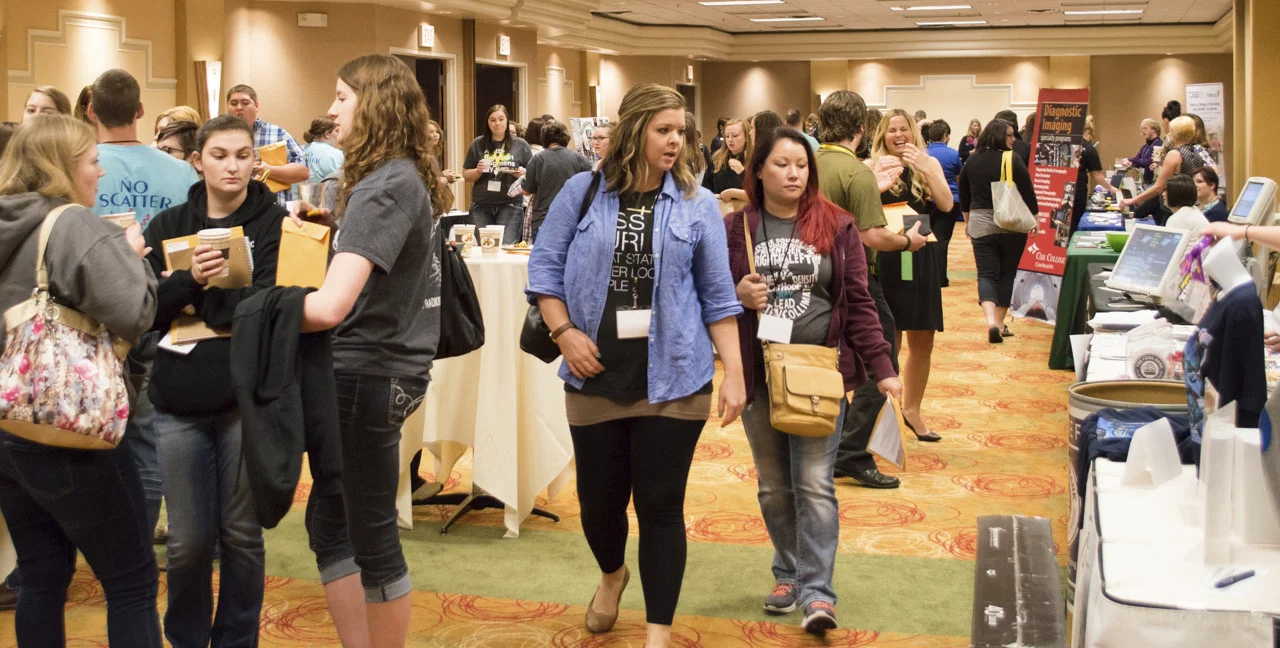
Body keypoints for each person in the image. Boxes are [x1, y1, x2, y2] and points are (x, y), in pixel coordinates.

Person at [526, 82, 745, 648]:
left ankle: (657, 632)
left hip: (676, 375)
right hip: (594, 374)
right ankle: (612, 574)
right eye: (663, 130)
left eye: (681, 132)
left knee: (660, 507)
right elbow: (544, 272)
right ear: (633, 130)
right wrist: (564, 332)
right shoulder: (581, 191)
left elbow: (719, 297)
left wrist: (736, 374)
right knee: (599, 507)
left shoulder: (697, 203)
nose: (675, 142)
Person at [298, 53, 452, 648]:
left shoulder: (386, 184)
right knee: (335, 524)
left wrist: (252, 311)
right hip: (381, 367)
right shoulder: (400, 175)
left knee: (364, 533)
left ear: (374, 104)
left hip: (366, 369)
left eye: (342, 97)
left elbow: (331, 306)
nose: (332, 109)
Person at [725, 126, 900, 636]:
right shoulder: (737, 228)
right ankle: (788, 573)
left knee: (815, 484)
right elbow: (709, 298)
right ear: (758, 170)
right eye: (781, 164)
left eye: (801, 165)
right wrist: (738, 294)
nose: (794, 174)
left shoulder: (836, 223)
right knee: (775, 486)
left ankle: (818, 591)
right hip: (759, 374)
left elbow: (859, 302)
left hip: (820, 373)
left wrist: (883, 368)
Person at [0, 113, 161, 647]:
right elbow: (136, 311)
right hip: (72, 427)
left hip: (9, 426)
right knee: (132, 580)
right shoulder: (74, 225)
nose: (101, 172)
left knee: (40, 578)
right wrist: (132, 258)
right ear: (63, 167)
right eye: (93, 161)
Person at [142, 114, 279, 648]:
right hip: (179, 397)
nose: (233, 167)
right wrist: (190, 281)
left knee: (242, 536)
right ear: (198, 161)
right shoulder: (169, 223)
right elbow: (146, 312)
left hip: (248, 396)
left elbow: (271, 305)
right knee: (188, 543)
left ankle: (237, 641)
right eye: (220, 156)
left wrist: (197, 297)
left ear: (255, 160)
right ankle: (187, 639)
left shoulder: (274, 223)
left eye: (243, 155)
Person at [87, 69, 201, 550]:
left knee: (100, 437)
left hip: (97, 316)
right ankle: (161, 540)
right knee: (155, 433)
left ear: (90, 110)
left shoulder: (84, 167)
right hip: (163, 307)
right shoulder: (181, 172)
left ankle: (116, 541)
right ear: (139, 111)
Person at [815, 91, 926, 489]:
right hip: (853, 277)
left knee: (828, 362)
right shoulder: (856, 171)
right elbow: (872, 235)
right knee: (882, 357)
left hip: (813, 277)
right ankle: (850, 452)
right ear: (862, 129)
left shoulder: (808, 162)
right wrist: (909, 242)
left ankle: (831, 448)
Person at [870, 109, 953, 442]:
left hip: (921, 256)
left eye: (904, 129)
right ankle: (884, 414)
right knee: (888, 339)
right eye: (892, 130)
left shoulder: (928, 164)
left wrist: (927, 168)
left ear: (914, 133)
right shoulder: (871, 165)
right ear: (882, 135)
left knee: (922, 340)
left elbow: (946, 205)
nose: (899, 135)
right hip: (887, 255)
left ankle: (912, 409)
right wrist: (875, 175)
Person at [959, 118, 1039, 343]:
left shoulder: (972, 160)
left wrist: (968, 220)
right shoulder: (1011, 158)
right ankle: (1000, 322)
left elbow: (964, 194)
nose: (1013, 139)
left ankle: (990, 322)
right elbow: (1027, 189)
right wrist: (1035, 218)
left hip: (981, 223)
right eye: (1009, 135)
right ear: (998, 136)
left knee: (986, 274)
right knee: (1007, 274)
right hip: (1012, 222)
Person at [226, 84, 310, 204]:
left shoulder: (278, 134)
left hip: (273, 209)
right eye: (234, 103)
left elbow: (304, 172)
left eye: (245, 103)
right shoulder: (220, 138)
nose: (239, 107)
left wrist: (268, 170)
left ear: (256, 105)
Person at [462, 103, 532, 245]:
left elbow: (532, 175)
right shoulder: (478, 143)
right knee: (483, 248)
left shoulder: (521, 145)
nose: (497, 123)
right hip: (481, 205)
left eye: (501, 119)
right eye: (493, 120)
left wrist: (522, 174)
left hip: (510, 205)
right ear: (488, 123)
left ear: (507, 120)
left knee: (506, 247)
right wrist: (477, 171)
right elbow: (465, 174)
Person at [1120, 115, 1207, 224]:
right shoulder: (1196, 153)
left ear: (1173, 134)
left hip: (1173, 208)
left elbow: (1158, 187)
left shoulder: (1174, 154)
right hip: (1189, 208)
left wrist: (1133, 200)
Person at [523, 119, 592, 243]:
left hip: (543, 218)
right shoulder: (580, 159)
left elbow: (526, 191)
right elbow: (591, 188)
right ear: (565, 137)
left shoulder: (537, 159)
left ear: (544, 138)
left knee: (545, 254)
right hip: (573, 218)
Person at [925, 120, 962, 288]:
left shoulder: (922, 153)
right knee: (942, 239)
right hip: (950, 200)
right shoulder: (953, 154)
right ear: (945, 136)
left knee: (925, 238)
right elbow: (958, 179)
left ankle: (927, 275)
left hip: (927, 200)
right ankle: (940, 278)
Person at [1070, 115, 1115, 232]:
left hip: (1062, 188)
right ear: (1087, 131)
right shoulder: (1089, 148)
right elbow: (1097, 176)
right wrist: (1111, 188)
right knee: (1075, 222)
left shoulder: (1065, 144)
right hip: (1078, 190)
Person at [704, 117, 751, 202]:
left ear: (746, 137)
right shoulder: (717, 159)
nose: (730, 140)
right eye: (727, 136)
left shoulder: (754, 160)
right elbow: (705, 188)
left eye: (735, 135)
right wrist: (712, 196)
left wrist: (742, 173)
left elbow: (759, 194)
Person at [303, 116, 345, 183]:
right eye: (336, 131)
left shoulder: (299, 151)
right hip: (325, 189)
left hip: (300, 189)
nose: (338, 135)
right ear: (327, 134)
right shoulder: (337, 155)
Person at [1123, 118, 1163, 185]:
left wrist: (1130, 159)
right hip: (1145, 182)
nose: (1142, 131)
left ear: (1154, 129)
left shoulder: (1159, 145)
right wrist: (1130, 162)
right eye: (1142, 129)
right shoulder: (1144, 147)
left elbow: (1149, 161)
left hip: (1154, 183)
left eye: (1145, 128)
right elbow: (1137, 160)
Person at [425, 119, 458, 184]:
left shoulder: (434, 155)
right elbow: (427, 181)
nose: (436, 135)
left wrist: (443, 175)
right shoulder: (422, 157)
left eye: (437, 132)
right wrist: (443, 175)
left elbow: (435, 176)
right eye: (431, 132)